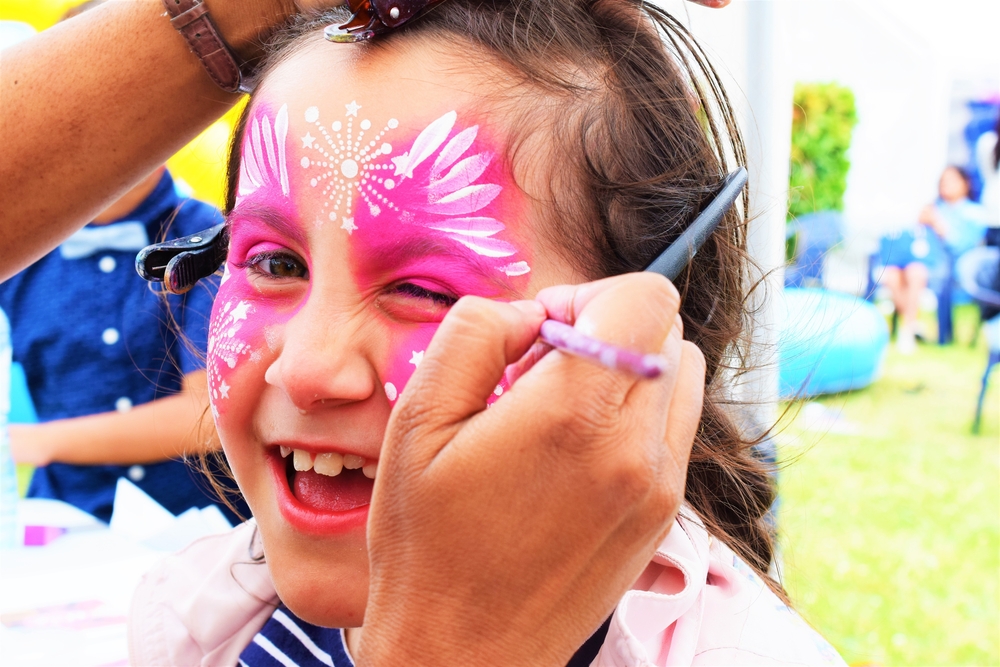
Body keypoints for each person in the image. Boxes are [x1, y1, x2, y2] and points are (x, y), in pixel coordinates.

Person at [129, 3, 843, 665]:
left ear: (639, 335)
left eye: (423, 289)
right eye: (277, 263)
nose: (310, 369)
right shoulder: (193, 619)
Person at [0, 163, 250, 522]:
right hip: (63, 520)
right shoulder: (19, 249)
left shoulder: (209, 238)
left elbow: (208, 415)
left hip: (197, 523)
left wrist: (41, 442)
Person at [880, 165, 991, 352]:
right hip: (922, 261)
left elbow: (962, 246)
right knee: (890, 274)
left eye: (952, 180)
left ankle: (908, 332)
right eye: (943, 181)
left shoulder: (975, 213)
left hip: (952, 267)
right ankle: (912, 325)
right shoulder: (933, 208)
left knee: (916, 272)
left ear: (966, 183)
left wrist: (938, 225)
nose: (946, 185)